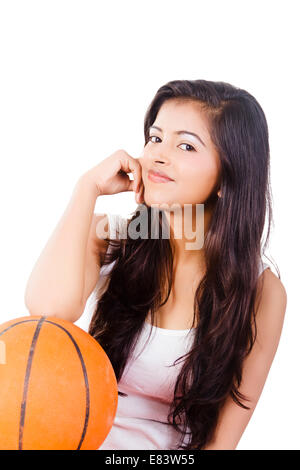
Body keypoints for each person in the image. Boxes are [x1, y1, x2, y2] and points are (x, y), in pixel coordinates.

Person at [24, 79, 287, 450]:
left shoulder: (262, 291)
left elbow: (221, 442)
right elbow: (47, 312)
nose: (158, 156)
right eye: (155, 138)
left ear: (228, 177)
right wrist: (86, 189)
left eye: (185, 145)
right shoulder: (110, 236)